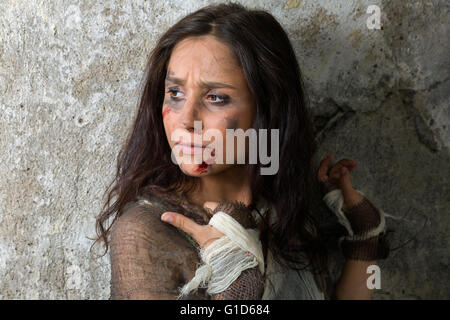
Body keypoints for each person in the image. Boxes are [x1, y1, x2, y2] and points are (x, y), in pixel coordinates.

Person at [91, 2, 391, 300]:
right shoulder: (146, 233)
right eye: (175, 93)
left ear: (267, 109)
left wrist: (364, 239)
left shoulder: (279, 210)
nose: (186, 119)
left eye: (216, 97)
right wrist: (236, 291)